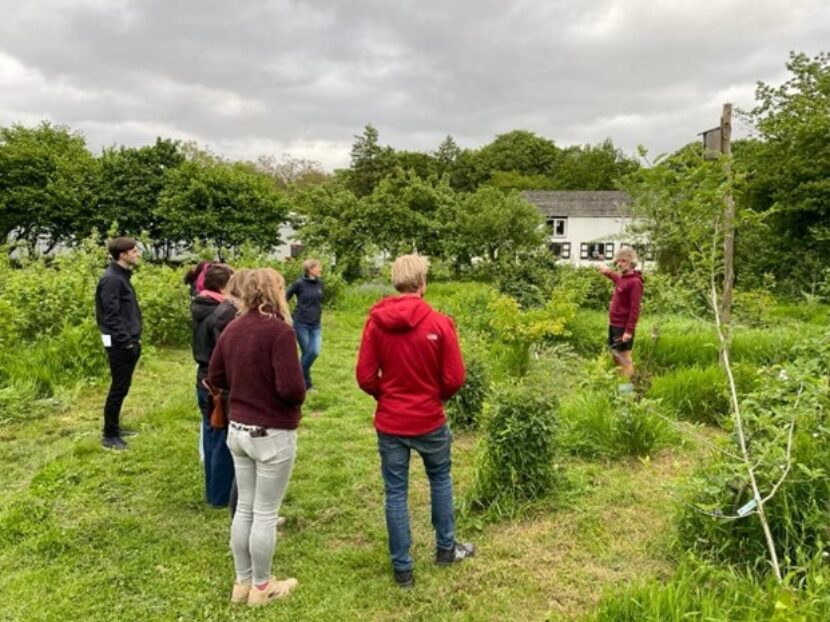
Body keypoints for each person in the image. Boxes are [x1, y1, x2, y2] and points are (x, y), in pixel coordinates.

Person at [355, 254, 474, 589]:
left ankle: (403, 570)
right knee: (440, 480)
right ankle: (446, 549)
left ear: (396, 281)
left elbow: (365, 376)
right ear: (423, 283)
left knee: (395, 492)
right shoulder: (439, 323)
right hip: (429, 418)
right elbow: (454, 377)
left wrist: (386, 396)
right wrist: (434, 397)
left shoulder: (375, 323)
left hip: (392, 421)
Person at [207, 268, 306, 607]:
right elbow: (293, 389)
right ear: (274, 291)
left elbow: (215, 374)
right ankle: (262, 587)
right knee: (264, 512)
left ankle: (242, 583)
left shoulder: (233, 328)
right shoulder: (279, 332)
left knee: (245, 508)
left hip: (238, 429)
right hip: (271, 432)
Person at [191, 264, 236, 507]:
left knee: (210, 433)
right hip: (215, 382)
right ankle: (219, 496)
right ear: (223, 286)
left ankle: (213, 491)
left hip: (203, 377)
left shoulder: (201, 304)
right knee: (220, 437)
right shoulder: (220, 313)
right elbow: (224, 352)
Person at [95, 237, 143, 451]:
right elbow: (111, 316)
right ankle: (110, 434)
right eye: (134, 250)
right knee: (118, 387)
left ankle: (114, 427)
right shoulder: (112, 279)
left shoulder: (121, 277)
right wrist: (126, 343)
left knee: (122, 387)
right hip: (120, 343)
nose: (138, 253)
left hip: (127, 341)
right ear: (122, 254)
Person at [596, 246, 644, 391]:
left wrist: (629, 331)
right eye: (619, 260)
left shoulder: (635, 282)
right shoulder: (624, 278)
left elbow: (635, 309)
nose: (620, 263)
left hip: (623, 327)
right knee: (616, 355)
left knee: (625, 359)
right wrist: (606, 272)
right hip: (614, 324)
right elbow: (617, 279)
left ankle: (626, 395)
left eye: (623, 261)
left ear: (631, 263)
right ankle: (619, 385)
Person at [286, 259, 324, 390]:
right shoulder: (299, 284)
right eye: (318, 267)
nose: (320, 270)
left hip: (316, 323)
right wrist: (286, 313)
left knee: (314, 351)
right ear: (310, 269)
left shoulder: (320, 283)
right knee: (307, 352)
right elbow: (285, 297)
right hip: (301, 323)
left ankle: (293, 377)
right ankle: (307, 385)